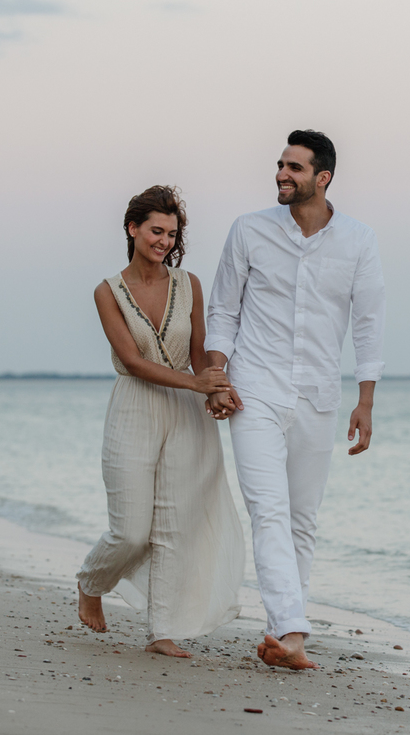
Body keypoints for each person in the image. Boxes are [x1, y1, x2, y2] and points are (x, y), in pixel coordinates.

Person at [205, 130, 386, 669]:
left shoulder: (359, 240)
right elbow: (223, 311)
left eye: (295, 167)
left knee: (302, 519)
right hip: (253, 389)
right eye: (280, 164)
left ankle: (280, 632)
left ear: (322, 177)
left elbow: (369, 322)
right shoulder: (249, 231)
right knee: (269, 510)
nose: (282, 174)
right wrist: (217, 375)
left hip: (318, 395)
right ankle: (292, 630)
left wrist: (366, 401)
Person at [76, 185, 245, 658]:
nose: (165, 241)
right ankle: (92, 582)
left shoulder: (188, 284)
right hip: (135, 407)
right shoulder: (107, 291)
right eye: (156, 230)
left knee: (175, 525)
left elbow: (198, 357)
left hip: (187, 415)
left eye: (172, 233)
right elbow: (131, 360)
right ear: (132, 228)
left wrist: (217, 391)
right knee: (130, 530)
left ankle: (161, 630)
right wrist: (196, 385)